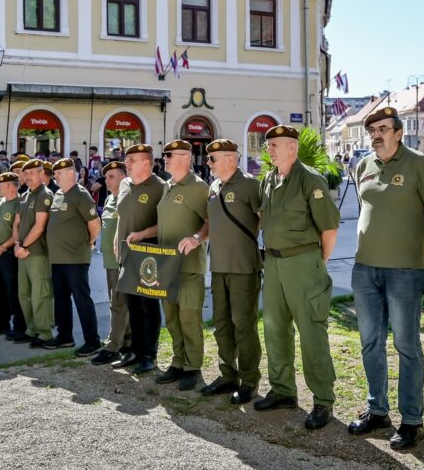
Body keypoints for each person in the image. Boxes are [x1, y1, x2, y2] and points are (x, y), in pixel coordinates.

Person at [348, 107, 424, 450]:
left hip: (405, 271)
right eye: (372, 129)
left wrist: (423, 248)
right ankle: (377, 411)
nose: (377, 134)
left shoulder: (420, 165)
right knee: (370, 342)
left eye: (384, 128)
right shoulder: (363, 166)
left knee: (406, 345)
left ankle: (412, 421)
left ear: (399, 132)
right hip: (365, 269)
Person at [255, 126, 340, 430]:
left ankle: (322, 400)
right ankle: (283, 391)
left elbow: (329, 230)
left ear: (292, 148)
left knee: (311, 332)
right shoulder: (268, 181)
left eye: (275, 145)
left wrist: (317, 263)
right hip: (274, 263)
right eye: (268, 146)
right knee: (275, 328)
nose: (270, 150)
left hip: (303, 263)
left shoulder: (310, 180)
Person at [143, 140, 210, 391]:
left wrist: (196, 238)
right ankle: (178, 361)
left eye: (169, 155)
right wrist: (141, 234)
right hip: (166, 265)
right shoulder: (168, 186)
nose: (166, 159)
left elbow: (209, 221)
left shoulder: (199, 187)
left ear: (185, 157)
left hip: (189, 265)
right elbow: (166, 222)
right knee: (171, 317)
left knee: (189, 317)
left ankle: (193, 367)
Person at [201, 138, 263, 405]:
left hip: (243, 267)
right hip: (218, 266)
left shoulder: (250, 185)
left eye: (213, 159)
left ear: (231, 158)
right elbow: (210, 222)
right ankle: (228, 375)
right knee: (222, 323)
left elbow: (264, 218)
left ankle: (249, 379)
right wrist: (196, 236)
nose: (208, 163)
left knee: (243, 324)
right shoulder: (214, 186)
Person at [116, 143, 167, 373]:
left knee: (148, 304)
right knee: (133, 304)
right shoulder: (125, 184)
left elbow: (166, 224)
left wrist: (143, 234)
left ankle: (150, 353)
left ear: (146, 162)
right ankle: (135, 351)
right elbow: (122, 217)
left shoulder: (160, 187)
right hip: (127, 256)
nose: (126, 164)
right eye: (127, 160)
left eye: (131, 160)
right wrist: (116, 241)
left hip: (149, 255)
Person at [46, 158, 101, 353]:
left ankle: (92, 341)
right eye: (54, 172)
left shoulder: (81, 195)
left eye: (59, 173)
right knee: (61, 300)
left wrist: (88, 242)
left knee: (81, 300)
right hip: (58, 258)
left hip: (75, 258)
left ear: (71, 173)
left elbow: (94, 224)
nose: (55, 176)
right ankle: (64, 337)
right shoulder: (58, 194)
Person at [12, 159, 55, 347]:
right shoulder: (24, 195)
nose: (28, 177)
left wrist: (22, 246)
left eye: (32, 173)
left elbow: (39, 227)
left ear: (41, 173)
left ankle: (44, 332)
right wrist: (16, 245)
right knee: (24, 293)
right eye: (25, 174)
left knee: (40, 294)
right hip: (22, 251)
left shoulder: (44, 195)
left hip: (37, 253)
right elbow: (17, 224)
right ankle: (31, 329)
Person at [91, 161, 130, 365]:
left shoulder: (128, 198)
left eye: (111, 176)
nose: (106, 180)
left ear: (123, 178)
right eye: (106, 177)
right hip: (109, 259)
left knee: (117, 304)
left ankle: (113, 345)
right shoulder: (109, 200)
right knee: (118, 303)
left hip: (122, 260)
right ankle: (126, 341)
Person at [0, 171, 27, 340]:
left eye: (1, 185)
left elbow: (18, 232)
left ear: (10, 185)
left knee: (14, 292)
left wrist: (3, 247)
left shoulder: (20, 203)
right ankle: (1, 323)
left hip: (10, 253)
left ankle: (19, 326)